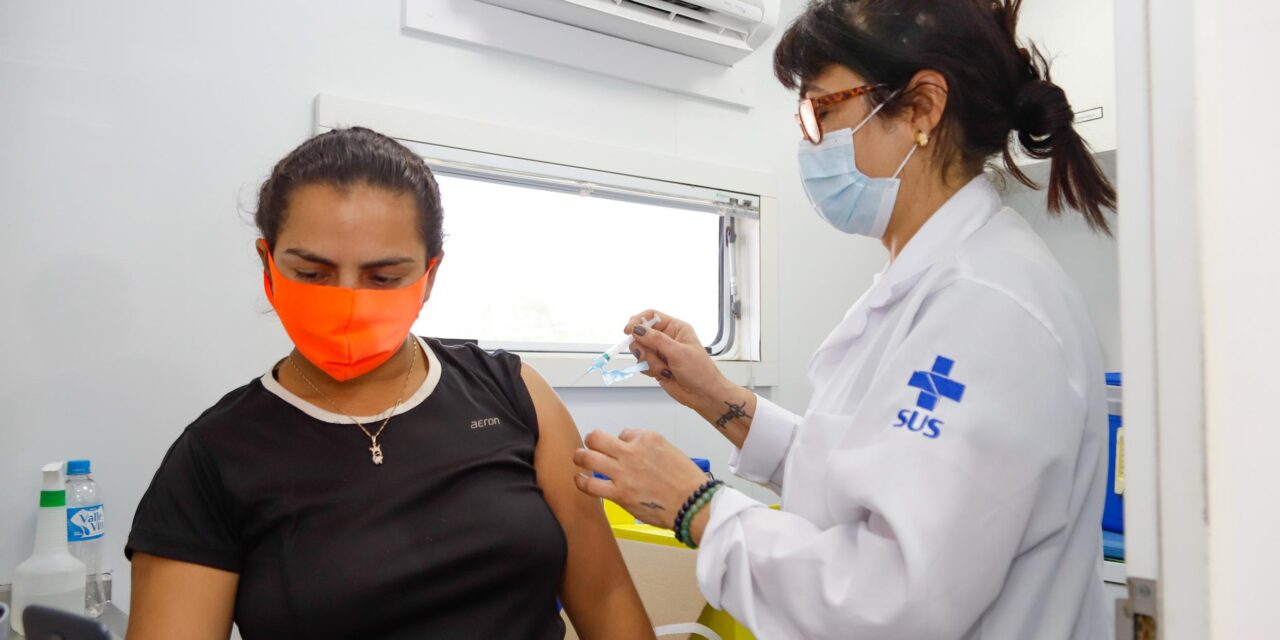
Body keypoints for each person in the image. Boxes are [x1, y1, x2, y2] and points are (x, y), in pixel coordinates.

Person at [572, 1, 1116, 638]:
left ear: (921, 108)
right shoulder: (925, 284)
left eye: (822, 110)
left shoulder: (990, 307)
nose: (810, 140)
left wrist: (697, 507)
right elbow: (861, 474)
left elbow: (895, 598)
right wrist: (718, 398)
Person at [124, 127, 654, 639]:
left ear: (430, 275)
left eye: (383, 278)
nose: (348, 300)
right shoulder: (213, 457)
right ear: (267, 265)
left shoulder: (512, 393)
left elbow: (605, 597)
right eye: (312, 274)